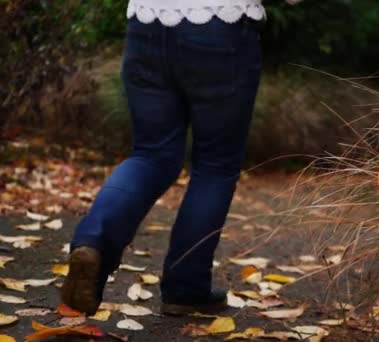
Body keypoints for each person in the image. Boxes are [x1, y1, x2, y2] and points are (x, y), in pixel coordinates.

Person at [61, 0, 274, 316]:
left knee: (151, 154)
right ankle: (185, 288)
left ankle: (94, 241)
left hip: (147, 26)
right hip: (221, 29)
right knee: (215, 166)